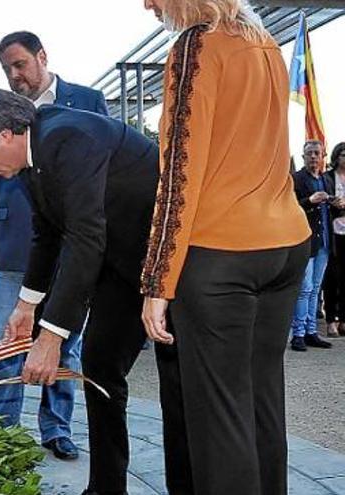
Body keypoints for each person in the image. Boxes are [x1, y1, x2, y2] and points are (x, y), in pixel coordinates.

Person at [0, 87, 188, 495]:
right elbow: (47, 236)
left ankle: (187, 486)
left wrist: (50, 337)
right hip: (121, 268)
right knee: (99, 368)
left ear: (6, 134)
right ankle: (106, 487)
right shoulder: (31, 158)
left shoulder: (69, 136)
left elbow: (84, 239)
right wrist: (27, 306)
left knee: (179, 382)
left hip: (170, 270)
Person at [140, 1, 311, 494]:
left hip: (220, 254)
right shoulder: (267, 46)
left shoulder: (197, 45)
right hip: (284, 242)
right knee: (261, 406)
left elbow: (177, 173)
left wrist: (157, 281)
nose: (147, 3)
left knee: (220, 420)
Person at [0, 31, 108, 460]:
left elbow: (104, 174)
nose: (14, 76)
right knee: (5, 338)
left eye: (20, 65)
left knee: (65, 339)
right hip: (12, 247)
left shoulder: (87, 100)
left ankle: (57, 429)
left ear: (41, 57)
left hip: (71, 247)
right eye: (7, 69)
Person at [291, 140, 339, 350]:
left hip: (325, 241)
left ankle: (311, 332)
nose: (313, 157)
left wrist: (337, 205)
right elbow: (290, 207)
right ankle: (298, 334)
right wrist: (309, 201)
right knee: (305, 288)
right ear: (303, 157)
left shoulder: (327, 180)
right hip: (306, 240)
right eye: (309, 153)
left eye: (316, 153)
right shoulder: (296, 179)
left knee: (315, 287)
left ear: (323, 157)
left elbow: (332, 211)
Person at [321, 142, 345, 337]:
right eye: (343, 155)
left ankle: (343, 319)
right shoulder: (327, 178)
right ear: (336, 157)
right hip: (334, 233)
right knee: (332, 277)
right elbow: (322, 202)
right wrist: (334, 204)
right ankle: (331, 320)